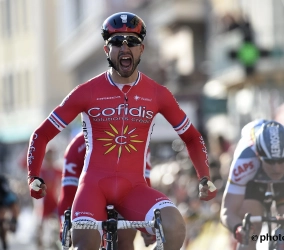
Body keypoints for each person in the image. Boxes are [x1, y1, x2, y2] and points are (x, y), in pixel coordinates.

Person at [26, 12, 217, 250]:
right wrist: (33, 176)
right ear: (107, 50)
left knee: (175, 227)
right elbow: (41, 134)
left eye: (132, 42)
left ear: (141, 49)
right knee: (86, 245)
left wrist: (204, 176)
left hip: (133, 188)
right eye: (117, 42)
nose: (125, 47)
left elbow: (191, 136)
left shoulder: (157, 93)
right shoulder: (87, 91)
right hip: (93, 188)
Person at [57, 131, 155, 249]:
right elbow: (68, 191)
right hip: (90, 193)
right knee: (86, 242)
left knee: (125, 241)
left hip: (124, 193)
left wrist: (146, 221)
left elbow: (144, 185)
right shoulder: (77, 145)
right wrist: (64, 224)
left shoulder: (138, 142)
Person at [220, 119, 284, 250]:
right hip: (253, 180)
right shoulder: (245, 161)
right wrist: (238, 228)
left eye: (281, 161)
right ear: (258, 155)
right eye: (270, 162)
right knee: (251, 231)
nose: (277, 168)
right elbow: (227, 212)